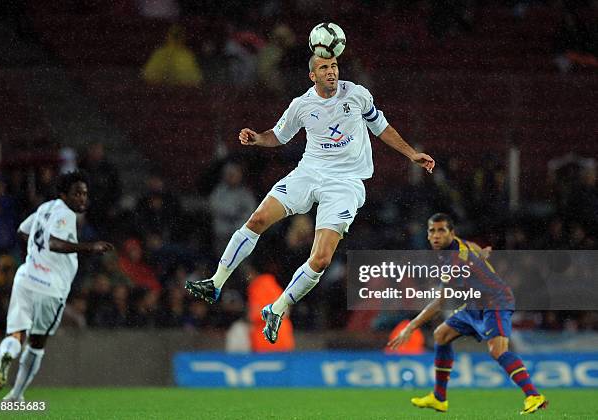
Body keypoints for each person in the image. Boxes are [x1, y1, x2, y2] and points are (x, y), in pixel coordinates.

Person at [186, 54, 435, 344]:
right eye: (324, 68)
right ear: (312, 76)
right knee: (258, 219)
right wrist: (257, 138)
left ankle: (277, 308)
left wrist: (411, 154)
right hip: (309, 172)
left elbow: (382, 127)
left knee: (321, 258)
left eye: (334, 66)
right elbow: (278, 136)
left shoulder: (357, 95)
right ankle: (215, 282)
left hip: (345, 184)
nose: (331, 72)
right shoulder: (301, 105)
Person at [387, 213, 547, 415]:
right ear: (427, 235)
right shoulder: (456, 246)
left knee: (497, 350)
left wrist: (411, 327)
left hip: (495, 300)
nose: (436, 235)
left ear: (451, 233)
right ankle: (439, 398)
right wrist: (482, 253)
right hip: (475, 303)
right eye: (432, 230)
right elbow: (473, 246)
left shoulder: (454, 262)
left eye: (441, 230)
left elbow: (440, 302)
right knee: (441, 335)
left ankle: (533, 396)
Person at [0, 170, 114, 401]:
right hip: (50, 288)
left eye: (85, 194)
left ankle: (4, 359)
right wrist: (90, 247)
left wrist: (37, 256)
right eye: (77, 194)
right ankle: (16, 395)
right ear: (64, 195)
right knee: (36, 343)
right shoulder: (66, 214)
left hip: (26, 278)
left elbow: (22, 231)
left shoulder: (46, 208)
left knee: (16, 332)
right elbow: (55, 243)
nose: (82, 199)